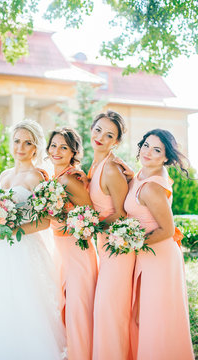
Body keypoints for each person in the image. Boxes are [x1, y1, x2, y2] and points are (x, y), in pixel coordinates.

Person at [0, 119, 67, 360]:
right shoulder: (4, 174)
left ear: (36, 147)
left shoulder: (38, 177)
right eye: (17, 141)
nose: (20, 147)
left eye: (27, 142)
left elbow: (44, 222)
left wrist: (9, 230)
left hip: (24, 250)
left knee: (24, 305)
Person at [124, 129, 194, 360]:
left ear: (166, 157)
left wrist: (130, 242)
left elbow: (166, 230)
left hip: (158, 255)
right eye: (145, 145)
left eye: (156, 150)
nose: (147, 152)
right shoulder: (142, 176)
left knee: (155, 317)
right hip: (148, 253)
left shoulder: (152, 187)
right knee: (145, 315)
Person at [46, 127, 98, 360]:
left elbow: (90, 216)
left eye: (63, 147)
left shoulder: (69, 178)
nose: (56, 151)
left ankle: (82, 355)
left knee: (78, 309)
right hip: (60, 248)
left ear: (73, 152)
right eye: (54, 145)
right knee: (63, 305)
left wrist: (60, 219)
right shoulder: (54, 176)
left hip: (77, 249)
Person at [88, 110, 135, 360]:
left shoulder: (111, 170)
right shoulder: (95, 165)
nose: (100, 138)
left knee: (109, 310)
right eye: (98, 130)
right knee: (104, 310)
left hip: (119, 250)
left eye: (109, 135)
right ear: (91, 129)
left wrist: (89, 225)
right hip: (104, 247)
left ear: (116, 142)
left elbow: (122, 213)